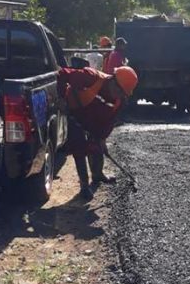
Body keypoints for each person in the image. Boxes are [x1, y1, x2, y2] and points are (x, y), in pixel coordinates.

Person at [57, 65, 138, 199]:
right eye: (120, 91)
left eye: (123, 94)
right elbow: (63, 73)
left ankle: (98, 175)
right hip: (75, 114)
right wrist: (61, 98)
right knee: (79, 148)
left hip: (94, 121)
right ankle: (84, 186)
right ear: (113, 81)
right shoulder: (90, 77)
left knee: (97, 147)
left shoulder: (120, 101)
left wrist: (102, 138)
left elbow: (109, 122)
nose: (120, 95)